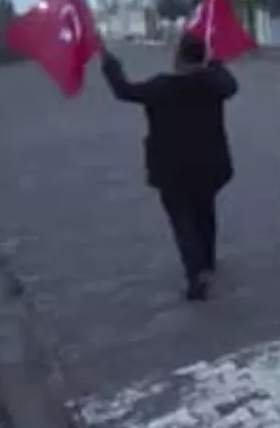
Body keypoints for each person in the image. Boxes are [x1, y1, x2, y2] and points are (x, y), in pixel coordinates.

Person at [100, 35, 238, 301]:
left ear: (178, 58)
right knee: (204, 211)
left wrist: (109, 64)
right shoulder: (213, 83)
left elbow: (124, 91)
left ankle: (195, 272)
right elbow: (230, 85)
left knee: (182, 221)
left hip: (170, 168)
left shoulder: (161, 87)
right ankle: (207, 261)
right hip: (209, 165)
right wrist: (216, 64)